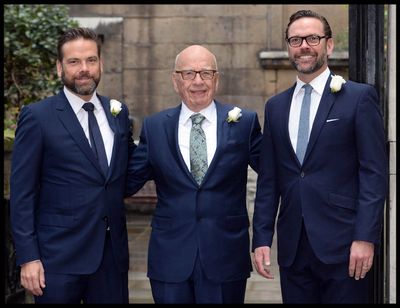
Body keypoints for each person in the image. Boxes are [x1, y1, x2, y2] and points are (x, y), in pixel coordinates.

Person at [252, 10, 388, 304]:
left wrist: (365, 237)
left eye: (313, 38)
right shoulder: (275, 107)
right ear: (288, 46)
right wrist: (262, 239)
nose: (304, 46)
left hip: (344, 247)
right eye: (296, 39)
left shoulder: (358, 98)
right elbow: (269, 180)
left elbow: (373, 174)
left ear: (328, 45)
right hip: (293, 249)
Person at [126, 45, 263, 303]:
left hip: (225, 256)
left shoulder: (243, 123)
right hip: (170, 258)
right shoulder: (155, 127)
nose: (198, 81)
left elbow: (273, 176)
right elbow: (126, 182)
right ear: (175, 80)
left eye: (206, 73)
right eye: (189, 73)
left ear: (217, 79)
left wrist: (263, 236)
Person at [10, 27, 135, 303]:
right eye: (74, 62)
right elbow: (22, 194)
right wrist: (28, 257)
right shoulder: (37, 117)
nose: (84, 69)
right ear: (59, 67)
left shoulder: (118, 113)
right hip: (57, 261)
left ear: (100, 64)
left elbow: (123, 173)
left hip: (111, 259)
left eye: (91, 60)